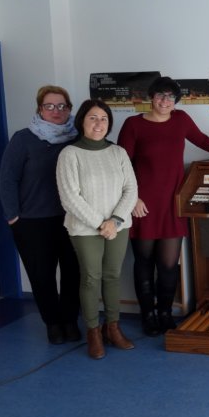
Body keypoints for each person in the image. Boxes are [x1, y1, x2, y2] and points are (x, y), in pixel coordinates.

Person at [117, 77, 209, 336]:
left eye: (170, 97)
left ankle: (165, 313)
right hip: (142, 204)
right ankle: (148, 315)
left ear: (176, 101)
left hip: (172, 202)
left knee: (169, 264)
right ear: (151, 97)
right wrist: (132, 199)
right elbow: (121, 164)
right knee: (144, 262)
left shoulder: (181, 119)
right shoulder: (133, 124)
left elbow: (202, 140)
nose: (165, 101)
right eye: (160, 96)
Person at [0, 85, 81, 345]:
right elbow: (7, 179)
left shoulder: (78, 138)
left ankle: (69, 320)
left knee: (73, 273)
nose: (56, 111)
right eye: (50, 106)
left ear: (69, 109)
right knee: (42, 275)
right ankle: (53, 324)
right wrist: (13, 217)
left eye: (62, 106)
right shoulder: (23, 138)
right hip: (32, 222)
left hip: (72, 220)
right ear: (39, 109)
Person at [57, 99, 138, 360]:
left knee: (112, 275)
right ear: (82, 120)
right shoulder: (70, 154)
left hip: (117, 225)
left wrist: (114, 221)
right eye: (92, 118)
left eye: (103, 118)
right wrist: (100, 224)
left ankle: (112, 327)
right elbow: (70, 196)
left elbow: (131, 190)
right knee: (91, 277)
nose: (98, 123)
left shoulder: (118, 153)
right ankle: (93, 330)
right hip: (85, 228)